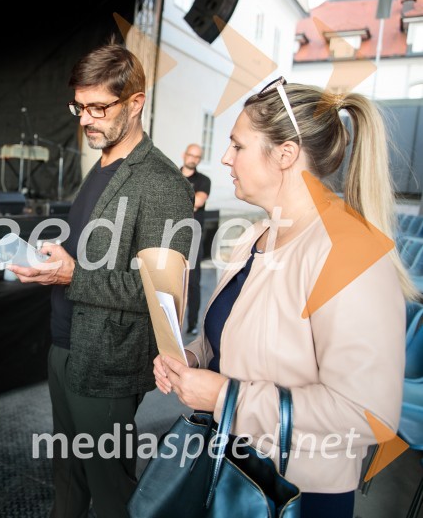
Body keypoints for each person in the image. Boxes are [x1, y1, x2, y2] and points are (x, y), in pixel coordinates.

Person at [154, 77, 414, 518]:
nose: (225, 158)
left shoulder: (348, 250)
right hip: (231, 464)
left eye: (237, 146)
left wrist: (222, 396)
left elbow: (367, 412)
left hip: (294, 493)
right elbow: (231, 335)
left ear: (286, 154)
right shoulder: (256, 234)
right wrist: (193, 360)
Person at [8, 45, 193, 518]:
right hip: (65, 346)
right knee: (67, 476)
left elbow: (161, 296)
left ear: (136, 103)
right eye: (80, 107)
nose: (87, 119)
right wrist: (56, 263)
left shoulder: (162, 184)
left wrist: (73, 274)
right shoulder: (104, 164)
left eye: (99, 108)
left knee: (110, 492)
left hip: (107, 364)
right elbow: (96, 259)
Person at [179, 143, 210, 335]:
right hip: (170, 232)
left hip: (193, 235)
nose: (193, 159)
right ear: (184, 155)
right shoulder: (172, 174)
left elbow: (197, 202)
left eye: (197, 157)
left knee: (193, 281)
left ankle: (192, 324)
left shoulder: (204, 180)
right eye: (191, 155)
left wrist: (175, 199)